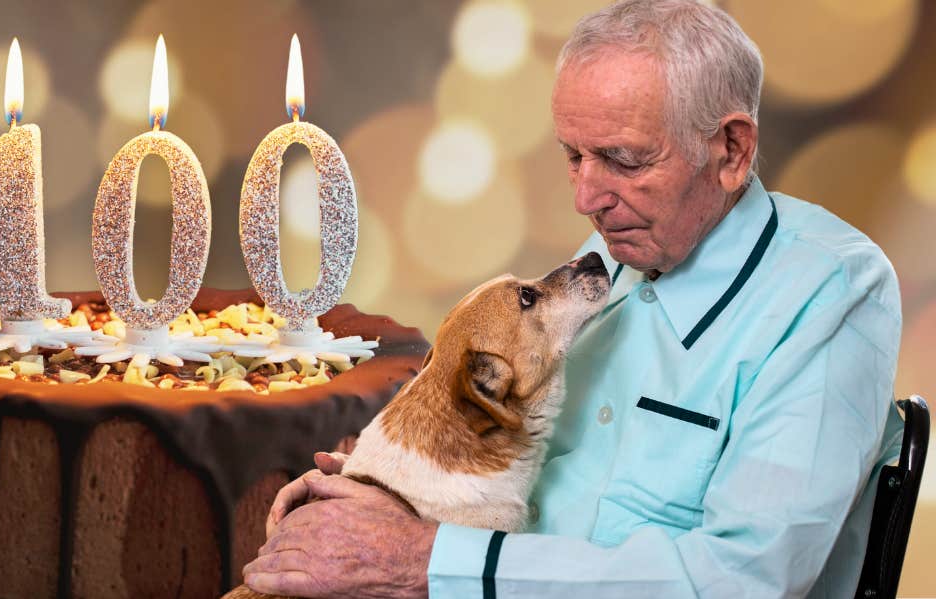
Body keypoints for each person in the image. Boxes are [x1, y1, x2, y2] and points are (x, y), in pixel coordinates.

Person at [241, 0, 904, 596]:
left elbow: (746, 579)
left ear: (731, 149)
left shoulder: (830, 292)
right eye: (574, 155)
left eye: (623, 159)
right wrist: (388, 490)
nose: (586, 199)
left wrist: (424, 557)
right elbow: (517, 463)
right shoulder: (625, 248)